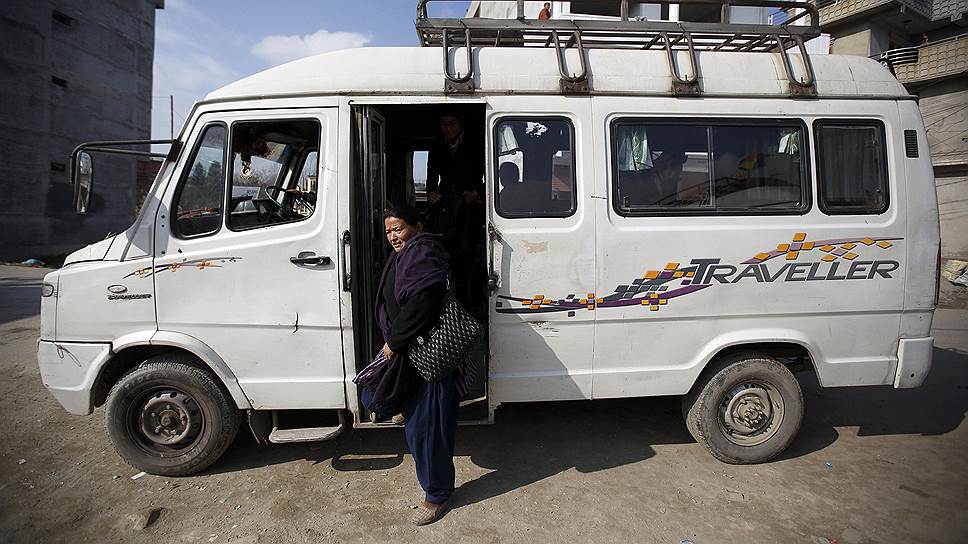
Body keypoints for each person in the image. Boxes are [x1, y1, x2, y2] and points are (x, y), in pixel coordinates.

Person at [367, 205, 460, 526]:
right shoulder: (405, 253)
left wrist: (393, 343)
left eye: (399, 228)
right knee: (390, 404)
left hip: (427, 355)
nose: (393, 236)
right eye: (389, 231)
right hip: (412, 352)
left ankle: (438, 494)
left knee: (427, 429)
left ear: (417, 226)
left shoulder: (423, 255)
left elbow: (422, 304)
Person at [426, 111, 485, 312]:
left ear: (461, 123)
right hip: (445, 205)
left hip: (470, 207)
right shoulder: (437, 145)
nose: (447, 128)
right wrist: (431, 193)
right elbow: (431, 174)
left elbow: (488, 173)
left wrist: (477, 193)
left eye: (452, 123)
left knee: (467, 256)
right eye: (444, 124)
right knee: (443, 253)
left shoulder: (477, 142)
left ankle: (467, 305)